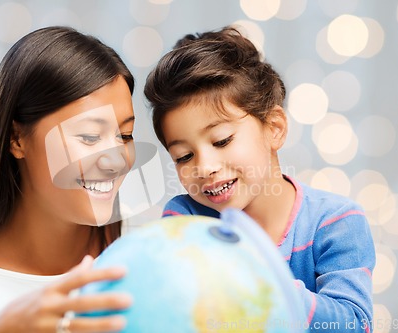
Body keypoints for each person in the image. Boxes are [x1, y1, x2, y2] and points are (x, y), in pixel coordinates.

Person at [144, 26, 375, 333]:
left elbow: (353, 325)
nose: (205, 167)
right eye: (184, 156)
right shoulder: (185, 220)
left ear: (274, 128)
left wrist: (258, 280)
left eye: (222, 140)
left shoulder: (337, 222)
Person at [0, 26, 137, 333]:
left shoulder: (148, 249)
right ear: (17, 138)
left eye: (125, 135)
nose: (117, 160)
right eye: (89, 136)